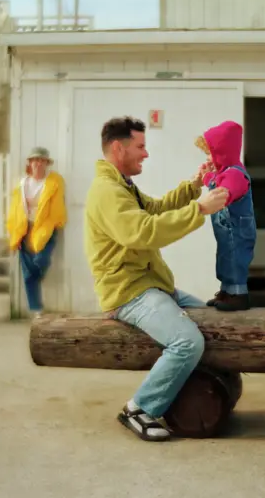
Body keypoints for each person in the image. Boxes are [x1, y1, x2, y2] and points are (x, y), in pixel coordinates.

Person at [84, 116, 229, 442]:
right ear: (118, 148)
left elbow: (156, 209)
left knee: (211, 316)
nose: (146, 154)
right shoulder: (107, 191)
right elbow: (143, 231)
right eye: (141, 146)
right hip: (128, 292)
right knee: (187, 342)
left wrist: (194, 187)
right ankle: (140, 408)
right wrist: (200, 210)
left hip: (152, 286)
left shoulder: (123, 185)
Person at [195, 120, 256, 311]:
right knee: (225, 258)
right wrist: (207, 177)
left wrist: (213, 185)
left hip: (237, 229)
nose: (209, 159)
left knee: (235, 260)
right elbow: (217, 182)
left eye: (211, 154)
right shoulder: (225, 172)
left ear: (222, 153)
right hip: (227, 230)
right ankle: (227, 290)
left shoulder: (236, 174)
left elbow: (225, 191)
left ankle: (238, 294)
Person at [7, 147, 67, 318]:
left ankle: (37, 274)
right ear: (30, 163)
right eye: (35, 160)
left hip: (46, 228)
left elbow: (56, 208)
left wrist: (56, 223)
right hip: (26, 229)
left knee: (41, 261)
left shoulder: (53, 183)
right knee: (28, 274)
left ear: (47, 164)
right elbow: (15, 211)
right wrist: (15, 235)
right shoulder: (22, 185)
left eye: (42, 161)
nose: (38, 164)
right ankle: (36, 309)